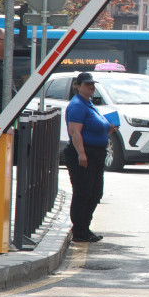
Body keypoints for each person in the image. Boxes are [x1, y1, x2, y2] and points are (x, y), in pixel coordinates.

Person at [64, 71, 117, 243]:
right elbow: (75, 132)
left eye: (93, 85)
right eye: (87, 84)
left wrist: (108, 128)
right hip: (84, 153)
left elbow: (96, 127)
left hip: (96, 154)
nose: (91, 87)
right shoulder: (78, 105)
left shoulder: (89, 103)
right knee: (83, 193)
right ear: (78, 86)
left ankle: (85, 227)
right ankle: (79, 231)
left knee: (95, 193)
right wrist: (81, 154)